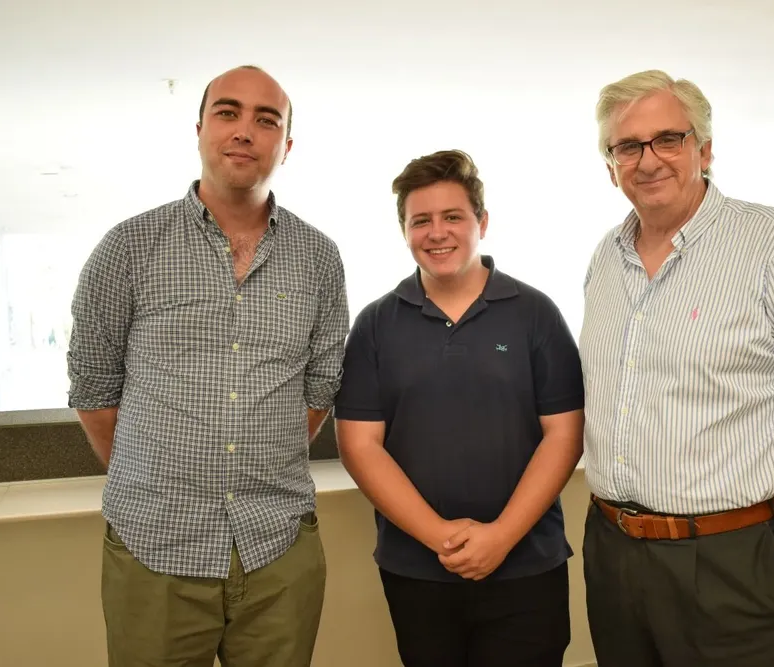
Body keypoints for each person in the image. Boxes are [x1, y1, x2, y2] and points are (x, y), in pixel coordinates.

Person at [579, 69, 774, 667]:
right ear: (610, 166)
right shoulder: (605, 259)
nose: (648, 160)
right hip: (614, 552)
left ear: (705, 149)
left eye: (668, 139)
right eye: (627, 146)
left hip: (732, 558)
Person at [67, 65, 349, 667]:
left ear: (286, 146)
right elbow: (94, 389)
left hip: (277, 548)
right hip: (154, 548)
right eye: (228, 112)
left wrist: (256, 460)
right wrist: (159, 478)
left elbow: (320, 388)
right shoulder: (128, 247)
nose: (245, 130)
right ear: (199, 130)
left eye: (266, 120)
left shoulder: (319, 258)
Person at [333, 149, 585, 667]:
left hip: (527, 564)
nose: (437, 233)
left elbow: (564, 435)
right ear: (404, 230)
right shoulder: (375, 324)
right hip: (417, 569)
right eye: (420, 220)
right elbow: (359, 446)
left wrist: (501, 537)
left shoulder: (535, 313)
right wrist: (441, 537)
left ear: (482, 223)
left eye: (452, 217)